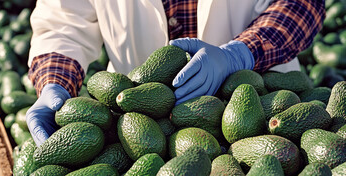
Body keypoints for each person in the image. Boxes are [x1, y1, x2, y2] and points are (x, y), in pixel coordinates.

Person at [26, 0, 325, 146]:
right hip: (135, 125)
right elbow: (63, 20)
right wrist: (55, 82)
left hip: (264, 108)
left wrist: (241, 52)